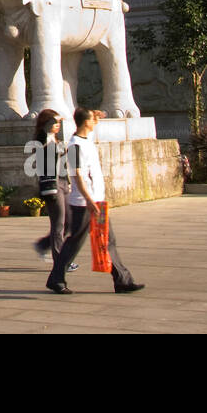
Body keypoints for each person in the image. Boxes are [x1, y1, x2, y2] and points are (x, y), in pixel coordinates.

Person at [46, 107, 144, 295]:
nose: (95, 122)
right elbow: (78, 176)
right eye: (93, 119)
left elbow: (90, 126)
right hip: (84, 203)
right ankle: (56, 279)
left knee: (108, 239)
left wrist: (96, 115)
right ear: (86, 122)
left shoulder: (86, 139)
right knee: (75, 241)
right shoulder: (75, 145)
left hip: (96, 201)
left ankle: (122, 280)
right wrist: (89, 200)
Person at [31, 109, 75, 271]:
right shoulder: (42, 142)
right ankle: (61, 262)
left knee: (70, 222)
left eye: (58, 123)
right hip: (52, 186)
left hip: (63, 183)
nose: (57, 125)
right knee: (58, 225)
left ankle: (43, 245)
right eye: (54, 123)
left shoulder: (55, 140)